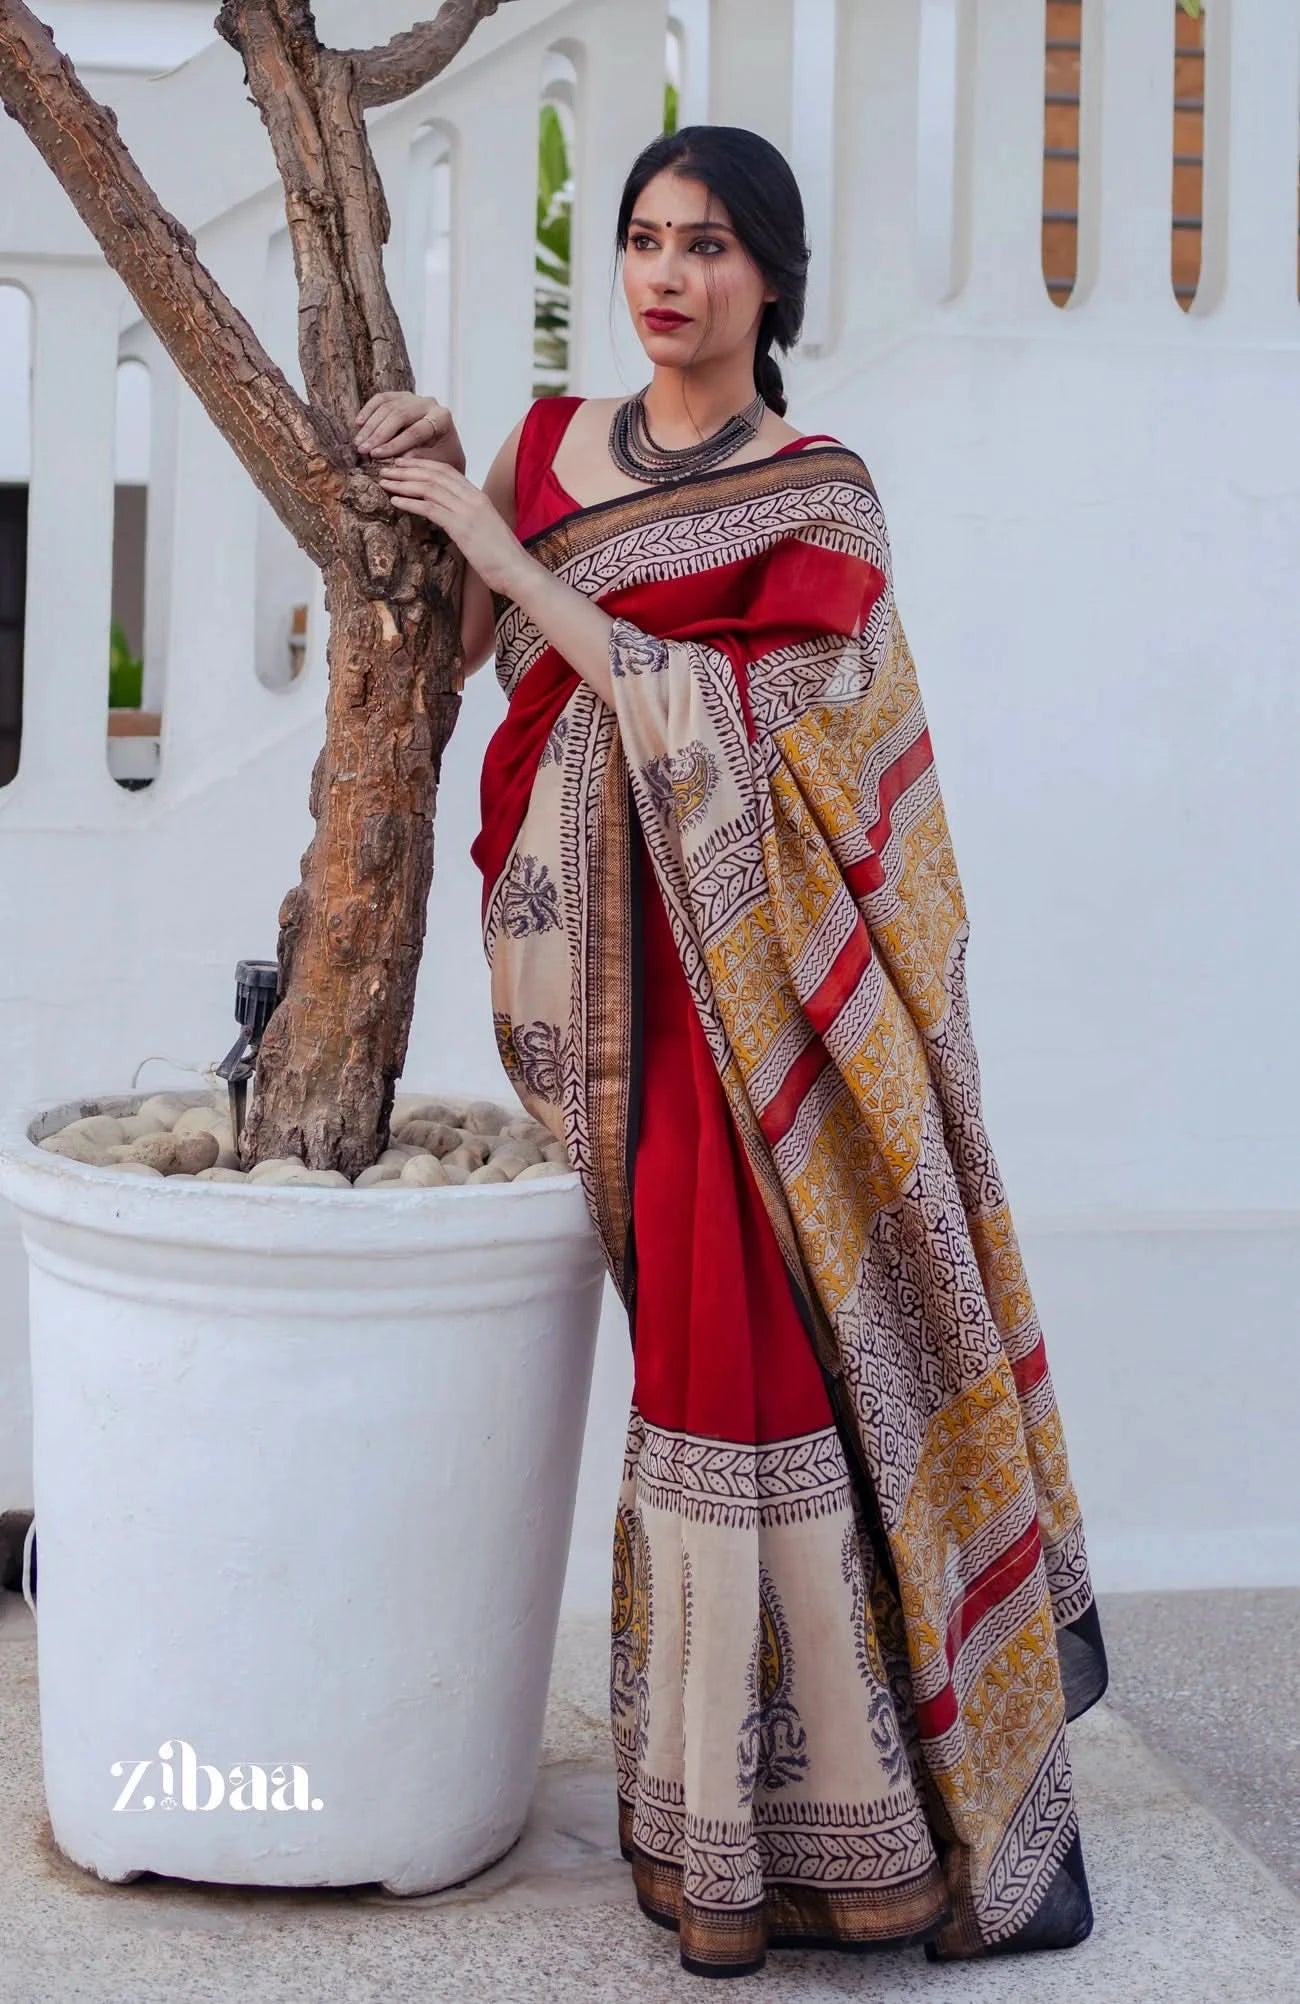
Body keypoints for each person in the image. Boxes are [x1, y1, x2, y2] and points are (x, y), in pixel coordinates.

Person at [353, 124, 1108, 1981]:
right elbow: (470, 672)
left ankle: (845, 1832)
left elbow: (751, 735)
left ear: (772, 279)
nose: (666, 273)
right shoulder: (544, 453)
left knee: (756, 1347)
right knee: (700, 1347)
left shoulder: (819, 492)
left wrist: (508, 563)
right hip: (613, 986)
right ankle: (723, 1818)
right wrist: (455, 494)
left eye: (706, 244)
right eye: (640, 239)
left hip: (773, 1008)